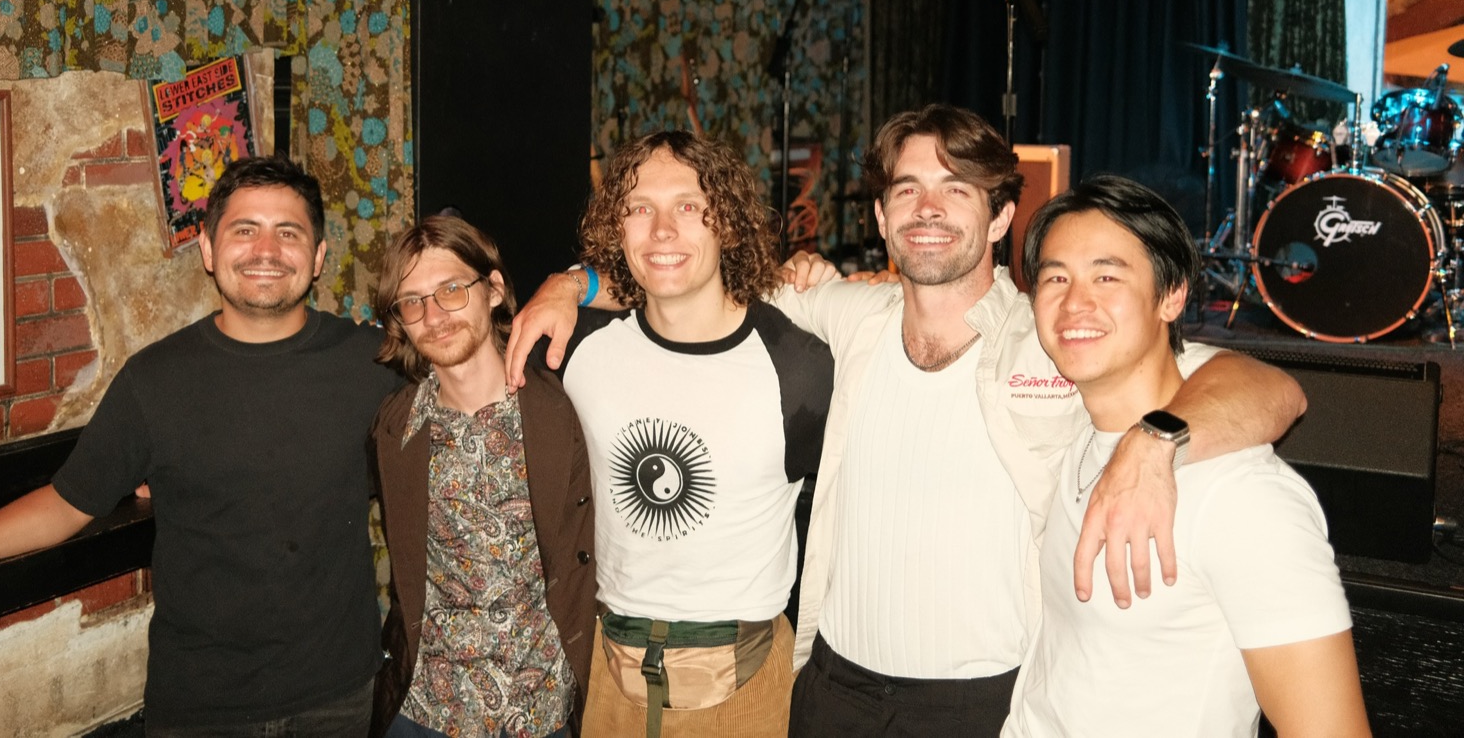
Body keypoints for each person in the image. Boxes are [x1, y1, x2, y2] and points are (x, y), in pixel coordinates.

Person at [507, 105, 1305, 738]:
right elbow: (688, 273)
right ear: (883, 218)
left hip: (984, 700)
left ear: (1000, 218)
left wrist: (1157, 440)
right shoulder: (844, 315)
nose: (927, 209)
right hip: (834, 688)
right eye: (906, 191)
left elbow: (1272, 390)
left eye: (956, 189)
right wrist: (573, 284)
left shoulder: (1057, 333)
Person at [0, 155, 396, 737]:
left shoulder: (373, 364)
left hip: (339, 695)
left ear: (319, 256)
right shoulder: (155, 380)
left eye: (288, 232)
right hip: (202, 705)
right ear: (209, 250)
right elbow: (67, 503)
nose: (266, 250)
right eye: (244, 230)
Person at [1004, 174, 1367, 737]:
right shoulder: (1077, 425)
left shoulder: (1244, 499)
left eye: (1107, 275)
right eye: (1056, 277)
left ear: (1172, 296)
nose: (1075, 302)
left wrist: (1156, 441)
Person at [521, 130, 834, 738]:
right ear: (618, 229)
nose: (662, 230)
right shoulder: (574, 347)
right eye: (639, 208)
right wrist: (570, 282)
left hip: (745, 686)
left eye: (689, 206)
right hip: (608, 677)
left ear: (729, 224)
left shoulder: (798, 365)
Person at [368, 215, 595, 738]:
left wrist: (569, 284)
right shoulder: (393, 428)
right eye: (412, 301)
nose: (434, 315)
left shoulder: (565, 404)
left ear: (493, 289)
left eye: (452, 289)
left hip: (540, 713)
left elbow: (656, 289)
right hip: (424, 712)